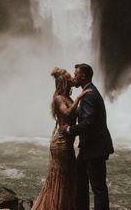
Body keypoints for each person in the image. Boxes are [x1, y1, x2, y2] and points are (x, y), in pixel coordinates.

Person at [31, 68, 92, 210]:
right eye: (69, 77)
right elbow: (67, 112)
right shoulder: (59, 98)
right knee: (62, 178)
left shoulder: (67, 98)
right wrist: (79, 98)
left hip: (67, 143)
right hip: (61, 143)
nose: (72, 78)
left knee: (67, 177)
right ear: (64, 82)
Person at [60, 63, 114, 210]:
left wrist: (70, 129)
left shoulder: (89, 94)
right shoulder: (89, 92)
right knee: (81, 180)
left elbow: (88, 123)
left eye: (76, 74)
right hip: (89, 147)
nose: (74, 77)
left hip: (95, 148)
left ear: (83, 76)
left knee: (98, 187)